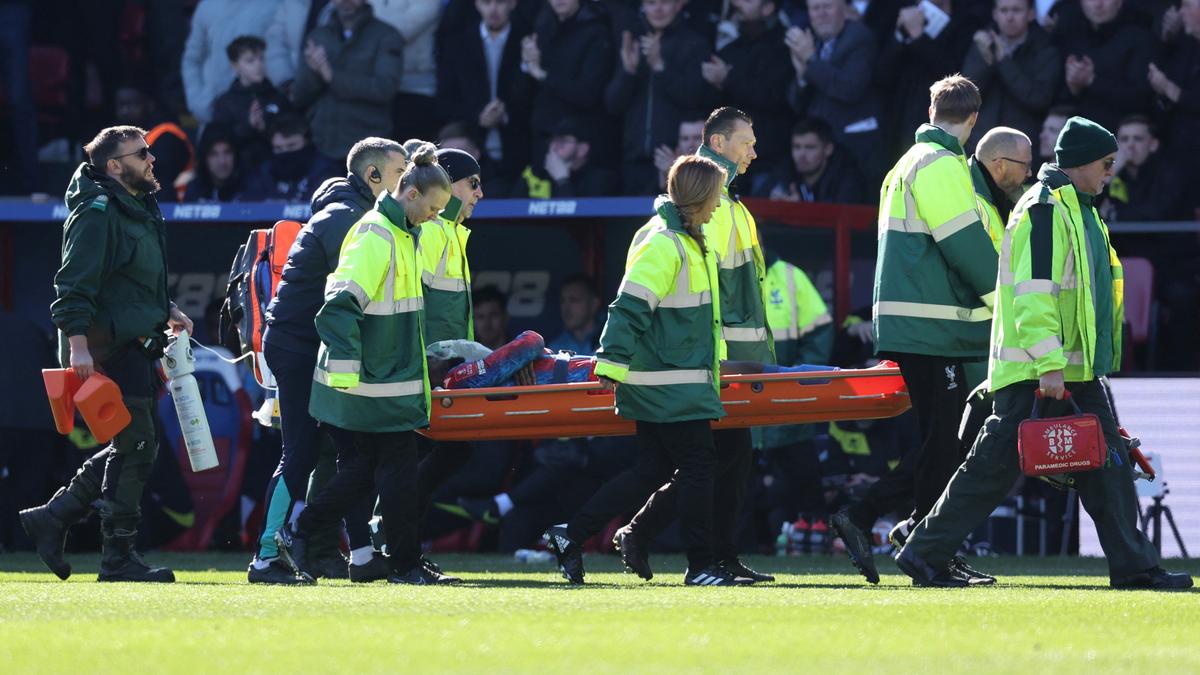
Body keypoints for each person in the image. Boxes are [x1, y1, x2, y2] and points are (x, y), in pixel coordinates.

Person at [895, 117, 1193, 591]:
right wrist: (1051, 363)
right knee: (994, 470)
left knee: (1107, 466)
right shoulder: (1047, 210)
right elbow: (1034, 293)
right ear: (1079, 165)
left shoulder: (1076, 207)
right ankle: (924, 553)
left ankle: (1134, 567)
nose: (1110, 173)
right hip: (1040, 368)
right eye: (1105, 164)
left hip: (1069, 368)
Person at [545, 154, 750, 586]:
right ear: (698, 197)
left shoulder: (683, 239)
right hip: (669, 382)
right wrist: (611, 362)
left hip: (670, 378)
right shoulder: (666, 242)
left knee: (652, 469)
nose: (718, 206)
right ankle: (700, 565)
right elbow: (630, 307)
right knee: (699, 465)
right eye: (715, 197)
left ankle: (571, 533)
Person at [831, 75, 997, 585]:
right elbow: (965, 244)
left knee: (940, 441)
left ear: (931, 110)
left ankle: (921, 540)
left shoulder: (906, 163)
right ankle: (890, 528)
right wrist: (1005, 303)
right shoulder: (942, 166)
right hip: (935, 326)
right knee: (947, 444)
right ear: (973, 121)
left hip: (913, 323)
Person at [274, 147, 459, 586]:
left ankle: (303, 532)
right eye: (432, 208)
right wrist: (346, 377)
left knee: (362, 472)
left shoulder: (401, 233)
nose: (435, 217)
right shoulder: (376, 234)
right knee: (394, 470)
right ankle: (405, 564)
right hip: (369, 382)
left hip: (381, 380)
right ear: (410, 193)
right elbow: (338, 305)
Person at [20, 126, 194, 582]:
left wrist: (167, 308)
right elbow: (72, 285)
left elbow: (129, 278)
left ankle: (54, 517)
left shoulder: (134, 203)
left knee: (135, 443)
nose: (152, 160)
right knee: (137, 445)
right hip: (105, 347)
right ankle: (116, 557)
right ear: (114, 165)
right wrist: (77, 345)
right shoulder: (97, 211)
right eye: (142, 154)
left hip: (132, 339)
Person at [614, 107, 776, 584]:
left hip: (719, 358)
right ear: (719, 143)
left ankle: (714, 555)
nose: (753, 151)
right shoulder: (714, 204)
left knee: (728, 459)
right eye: (746, 142)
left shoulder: (725, 202)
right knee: (710, 462)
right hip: (713, 361)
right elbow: (715, 298)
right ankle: (691, 554)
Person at [249, 136, 408, 584]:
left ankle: (360, 555)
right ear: (372, 176)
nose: (407, 183)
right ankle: (265, 558)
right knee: (299, 453)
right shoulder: (349, 219)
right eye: (400, 173)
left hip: (315, 346)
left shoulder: (359, 215)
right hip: (299, 347)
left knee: (352, 454)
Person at [605, 0, 714, 195]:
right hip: (632, 159)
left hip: (676, 157)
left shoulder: (694, 43)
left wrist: (660, 67)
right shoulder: (631, 43)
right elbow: (612, 105)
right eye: (651, 3)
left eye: (665, 2)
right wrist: (627, 73)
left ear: (679, 5)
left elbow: (695, 99)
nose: (658, 9)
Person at [291, 0, 404, 161]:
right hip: (321, 146)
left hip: (368, 149)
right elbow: (299, 96)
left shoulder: (387, 35)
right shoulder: (318, 36)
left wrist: (332, 76)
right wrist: (314, 72)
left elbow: (384, 88)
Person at [784, 0, 884, 182]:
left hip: (856, 148)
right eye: (815, 8)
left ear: (844, 9)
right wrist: (801, 77)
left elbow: (850, 89)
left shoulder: (859, 37)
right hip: (820, 151)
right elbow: (796, 103)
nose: (821, 13)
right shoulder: (811, 40)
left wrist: (811, 61)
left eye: (827, 6)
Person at [436, 0, 532, 185]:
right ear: (476, 5)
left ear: (512, 3)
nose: (493, 9)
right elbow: (444, 102)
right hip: (472, 145)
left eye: (500, 2)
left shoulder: (527, 42)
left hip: (519, 148)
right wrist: (478, 117)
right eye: (486, 2)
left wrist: (505, 114)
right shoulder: (457, 45)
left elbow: (534, 97)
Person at [702, 0, 792, 178]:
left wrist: (727, 79)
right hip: (729, 160)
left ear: (768, 7)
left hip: (768, 158)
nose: (737, 3)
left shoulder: (783, 47)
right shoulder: (731, 50)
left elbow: (774, 96)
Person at [961, 0, 1060, 152]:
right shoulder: (982, 44)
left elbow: (1039, 98)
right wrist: (986, 60)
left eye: (1016, 10)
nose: (1009, 17)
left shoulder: (1045, 50)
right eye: (1004, 10)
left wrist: (1003, 62)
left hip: (1022, 148)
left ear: (1031, 14)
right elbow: (966, 95)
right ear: (995, 14)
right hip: (980, 146)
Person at [516, 0, 614, 152]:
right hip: (543, 134)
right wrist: (527, 63)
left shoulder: (596, 31)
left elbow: (588, 93)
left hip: (579, 143)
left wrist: (543, 75)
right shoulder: (543, 27)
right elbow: (528, 89)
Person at [1052, 0, 1154, 132]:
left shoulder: (1141, 38)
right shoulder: (1069, 35)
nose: (1098, 4)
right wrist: (1074, 88)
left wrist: (1091, 81)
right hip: (1080, 138)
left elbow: (1141, 98)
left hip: (1123, 138)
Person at [181, 0, 281, 123]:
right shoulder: (208, 6)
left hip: (262, 116)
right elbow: (192, 58)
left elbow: (283, 55)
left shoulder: (275, 5)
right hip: (213, 115)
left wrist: (278, 98)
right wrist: (197, 101)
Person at [210, 35, 292, 172]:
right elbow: (219, 143)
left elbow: (292, 133)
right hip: (240, 174)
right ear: (235, 66)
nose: (258, 65)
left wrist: (266, 127)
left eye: (261, 59)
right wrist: (248, 127)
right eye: (250, 61)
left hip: (278, 170)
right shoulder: (225, 103)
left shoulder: (278, 97)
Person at [754, 117, 868, 204]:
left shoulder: (846, 179)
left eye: (810, 147)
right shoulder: (784, 172)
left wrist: (798, 210)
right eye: (797, 147)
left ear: (828, 149)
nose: (801, 154)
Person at [1103, 116, 1187, 222]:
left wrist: (1113, 215)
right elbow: (1088, 211)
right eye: (1124, 139)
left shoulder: (1171, 173)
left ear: (1153, 145)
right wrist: (1110, 174)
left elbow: (1157, 214)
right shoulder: (1113, 173)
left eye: (1138, 139)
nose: (1130, 145)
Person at [242, 115, 339, 201]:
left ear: (307, 142)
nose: (285, 153)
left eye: (291, 146)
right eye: (278, 148)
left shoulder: (325, 171)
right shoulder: (264, 172)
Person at [513, 118, 618, 198]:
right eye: (552, 140)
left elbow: (578, 221)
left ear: (582, 149)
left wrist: (562, 181)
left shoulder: (600, 180)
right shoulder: (534, 174)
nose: (554, 146)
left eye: (562, 140)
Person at [969, 126, 1033, 248]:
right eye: (1026, 165)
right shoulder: (972, 203)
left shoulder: (1004, 195)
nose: (1030, 173)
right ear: (1000, 165)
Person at [184, 124, 246, 202]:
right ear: (204, 158)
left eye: (227, 152)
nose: (222, 161)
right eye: (214, 154)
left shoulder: (251, 187)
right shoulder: (194, 191)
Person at [548, 274, 603, 353]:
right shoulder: (555, 348)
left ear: (594, 304)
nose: (566, 308)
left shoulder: (611, 341)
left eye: (574, 300)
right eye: (562, 301)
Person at [653, 118, 705, 191]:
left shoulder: (720, 168)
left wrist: (673, 171)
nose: (690, 144)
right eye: (685, 139)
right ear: (678, 146)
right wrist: (664, 176)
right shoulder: (667, 165)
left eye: (697, 138)